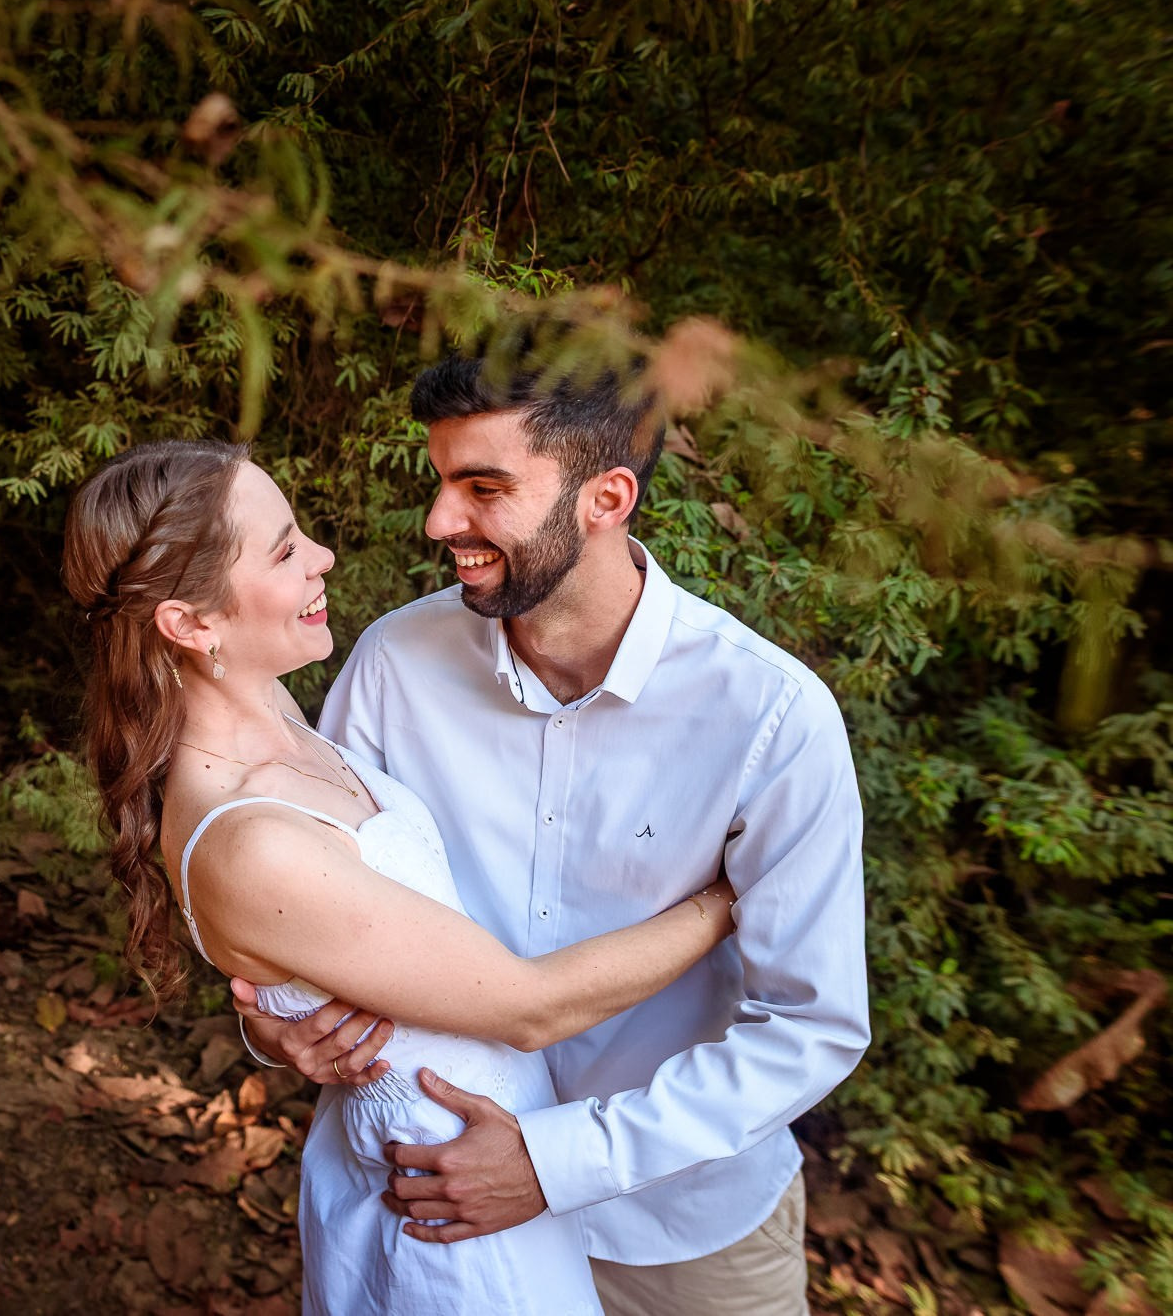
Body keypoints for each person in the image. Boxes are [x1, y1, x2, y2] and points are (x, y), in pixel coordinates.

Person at [237, 356, 870, 1316]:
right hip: (430, 1203)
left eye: (484, 488)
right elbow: (310, 905)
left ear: (606, 497)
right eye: (442, 481)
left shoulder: (771, 717)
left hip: (685, 1230)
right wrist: (279, 1033)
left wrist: (553, 1161)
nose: (440, 522)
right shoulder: (395, 664)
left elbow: (810, 1025)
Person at [63, 437, 743, 1315]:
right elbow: (529, 1005)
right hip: (445, 1210)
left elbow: (310, 951)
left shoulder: (269, 708)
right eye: (283, 551)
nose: (323, 557)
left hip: (485, 1162)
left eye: (299, 531)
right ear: (190, 625)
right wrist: (725, 896)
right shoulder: (249, 836)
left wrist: (275, 1022)